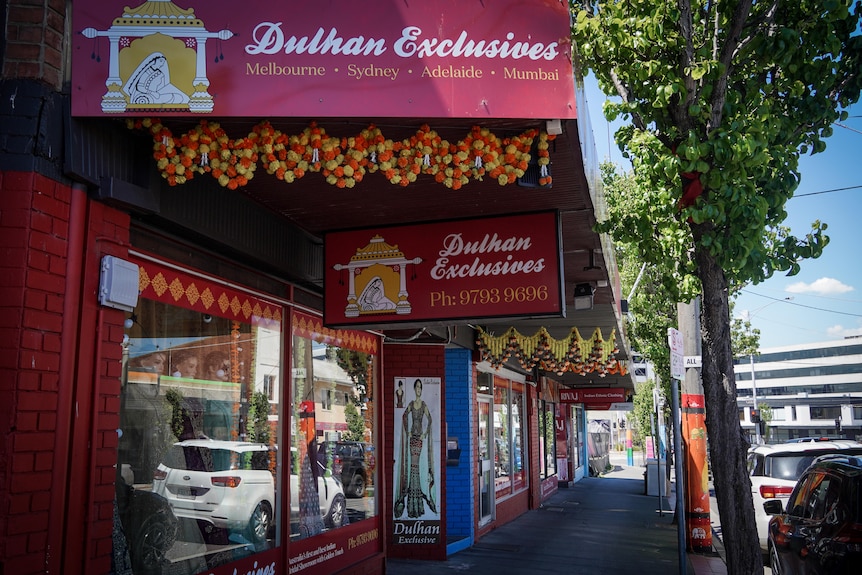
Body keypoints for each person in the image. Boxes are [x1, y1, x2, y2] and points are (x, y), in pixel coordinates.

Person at [395, 379, 436, 518]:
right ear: (414, 389)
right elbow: (404, 416)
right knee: (413, 468)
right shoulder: (412, 404)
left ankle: (416, 504)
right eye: (417, 387)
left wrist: (425, 433)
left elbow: (430, 419)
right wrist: (407, 432)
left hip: (419, 439)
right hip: (412, 438)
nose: (419, 389)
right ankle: (413, 504)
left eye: (420, 387)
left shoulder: (423, 404)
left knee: (415, 468)